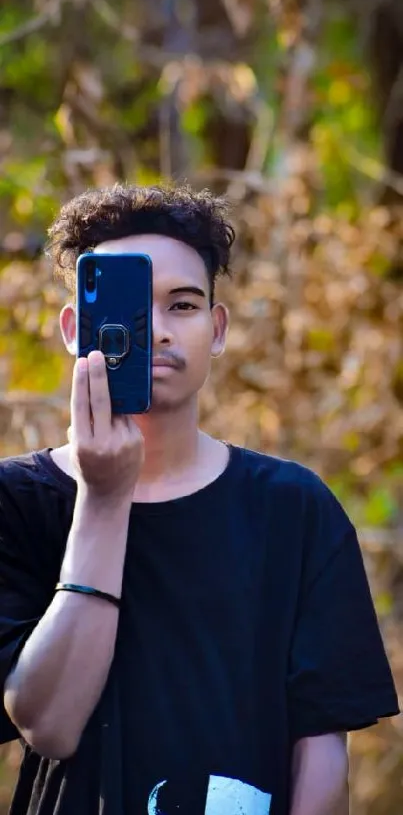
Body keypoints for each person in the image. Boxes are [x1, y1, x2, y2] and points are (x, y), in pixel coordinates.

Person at [0, 184, 399, 815]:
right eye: (132, 306)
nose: (155, 331)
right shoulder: (17, 500)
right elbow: (49, 723)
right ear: (75, 329)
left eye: (182, 305)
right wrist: (104, 500)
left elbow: (321, 748)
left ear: (216, 331)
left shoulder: (293, 508)